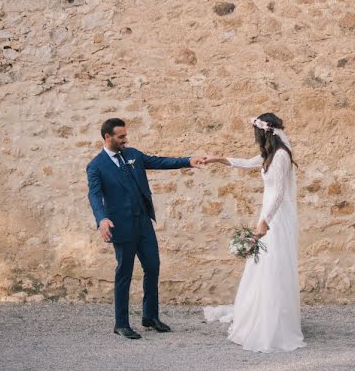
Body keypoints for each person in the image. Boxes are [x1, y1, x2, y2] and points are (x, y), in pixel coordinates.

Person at [86, 117, 206, 340]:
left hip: (143, 222)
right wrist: (101, 219)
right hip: (121, 226)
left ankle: (150, 316)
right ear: (107, 137)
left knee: (153, 266)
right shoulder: (96, 166)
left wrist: (188, 160)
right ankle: (121, 323)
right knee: (125, 272)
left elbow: (159, 162)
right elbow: (94, 195)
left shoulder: (133, 155)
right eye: (121, 136)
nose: (125, 139)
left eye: (125, 135)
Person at [204, 113, 306, 353]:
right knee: (262, 266)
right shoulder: (269, 155)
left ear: (263, 132)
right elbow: (245, 162)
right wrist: (216, 159)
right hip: (268, 215)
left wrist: (265, 222)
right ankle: (263, 311)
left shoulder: (280, 157)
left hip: (276, 218)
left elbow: (280, 193)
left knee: (273, 265)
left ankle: (275, 322)